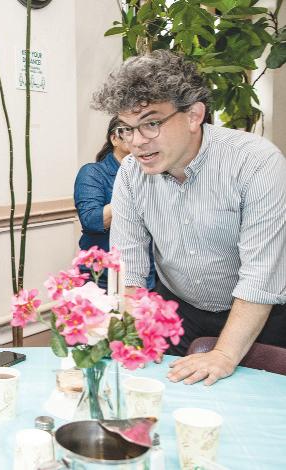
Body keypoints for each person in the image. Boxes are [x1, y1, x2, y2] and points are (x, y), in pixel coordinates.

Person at [93, 50, 286, 386]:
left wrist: (224, 355)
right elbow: (130, 268)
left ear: (194, 115)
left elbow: (262, 275)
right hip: (180, 309)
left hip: (259, 312)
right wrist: (131, 334)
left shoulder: (255, 162)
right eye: (126, 129)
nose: (136, 143)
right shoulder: (130, 174)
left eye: (151, 123)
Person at [74, 116, 156, 289]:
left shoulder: (151, 171)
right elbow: (91, 220)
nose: (138, 137)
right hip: (102, 275)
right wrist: (129, 194)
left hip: (147, 271)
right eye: (129, 130)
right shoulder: (93, 172)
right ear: (114, 139)